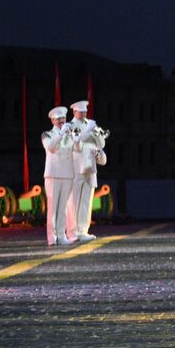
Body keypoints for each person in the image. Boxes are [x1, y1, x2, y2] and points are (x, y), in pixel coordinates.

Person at [65, 100, 103, 242]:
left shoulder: (90, 124)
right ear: (74, 111)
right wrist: (88, 131)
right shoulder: (70, 126)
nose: (84, 113)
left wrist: (98, 135)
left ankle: (83, 230)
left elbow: (100, 142)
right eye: (81, 111)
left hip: (90, 166)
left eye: (85, 111)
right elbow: (76, 144)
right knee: (73, 201)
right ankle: (73, 232)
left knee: (86, 201)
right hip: (75, 167)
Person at [42, 106, 74, 247]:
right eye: (59, 119)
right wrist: (61, 134)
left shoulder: (69, 134)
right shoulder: (47, 134)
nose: (62, 121)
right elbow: (51, 148)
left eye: (63, 118)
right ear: (53, 120)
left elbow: (76, 149)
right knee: (53, 207)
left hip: (67, 174)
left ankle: (62, 235)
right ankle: (52, 237)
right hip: (53, 174)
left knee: (63, 208)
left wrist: (75, 137)